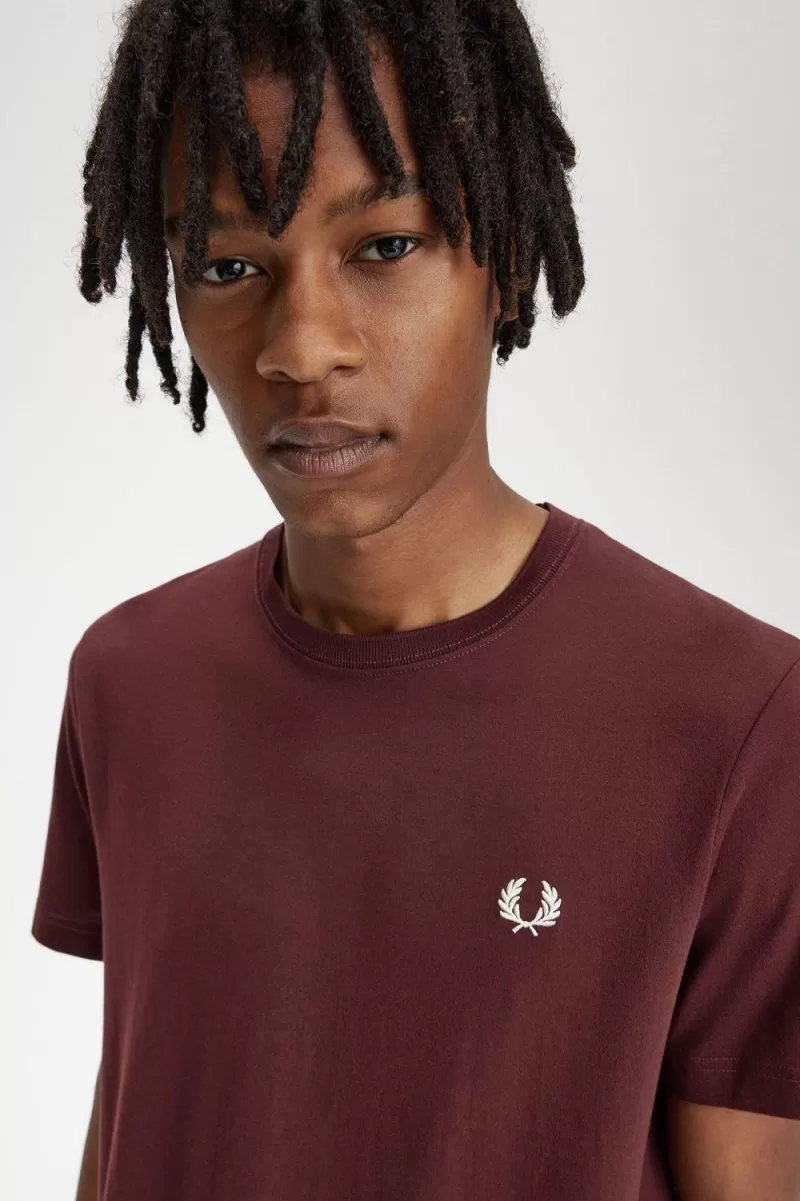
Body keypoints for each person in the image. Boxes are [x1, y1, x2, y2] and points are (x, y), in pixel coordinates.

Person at [31, 1, 800, 1199]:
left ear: (505, 256)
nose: (301, 349)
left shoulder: (737, 718)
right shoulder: (129, 678)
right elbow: (143, 1103)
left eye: (383, 247)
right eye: (228, 267)